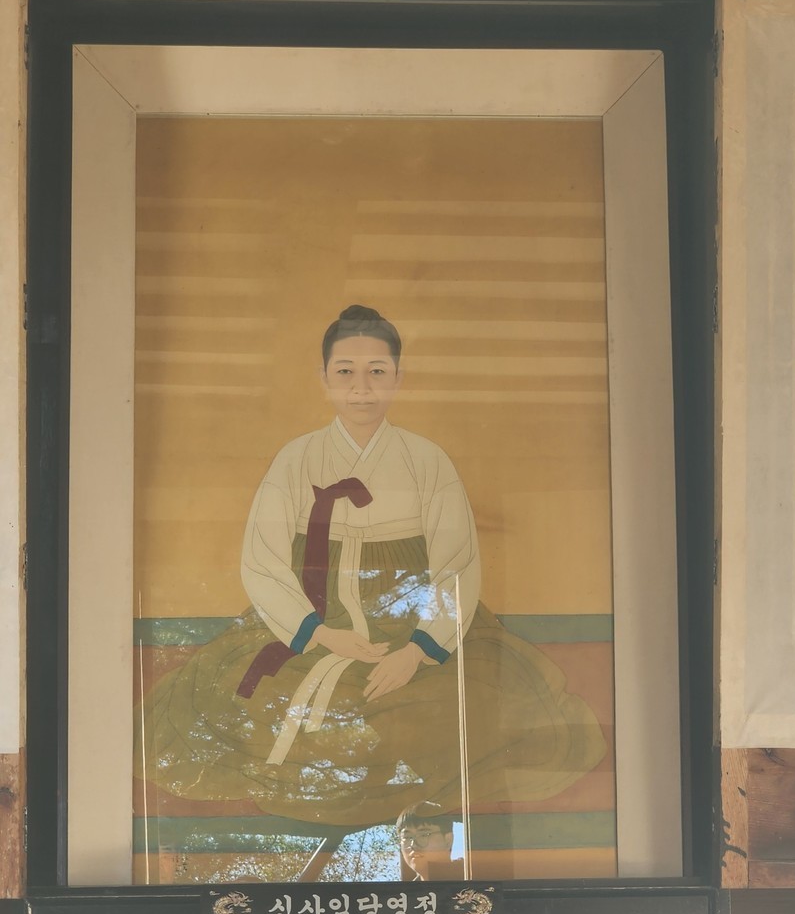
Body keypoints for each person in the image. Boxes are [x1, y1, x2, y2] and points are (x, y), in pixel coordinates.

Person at [136, 305, 606, 831]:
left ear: (398, 378)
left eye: (377, 371)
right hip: (313, 619)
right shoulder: (296, 458)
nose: (361, 388)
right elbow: (262, 561)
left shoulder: (427, 461)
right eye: (346, 372)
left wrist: (416, 651)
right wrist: (321, 634)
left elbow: (456, 565)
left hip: (406, 624)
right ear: (324, 379)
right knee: (245, 698)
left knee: (459, 707)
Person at [396, 802, 464, 881]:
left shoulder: (470, 881)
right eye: (407, 837)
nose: (413, 845)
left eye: (423, 835)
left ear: (448, 840)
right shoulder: (405, 889)